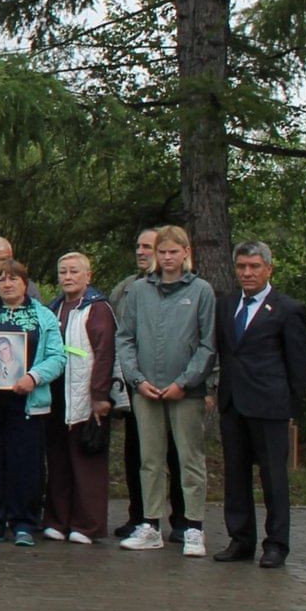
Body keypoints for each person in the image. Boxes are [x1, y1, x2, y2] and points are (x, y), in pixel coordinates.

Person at [114, 225, 217, 556]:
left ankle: (194, 527)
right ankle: (151, 525)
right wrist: (136, 378)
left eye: (174, 251)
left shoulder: (201, 291)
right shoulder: (139, 291)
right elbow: (125, 338)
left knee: (190, 459)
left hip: (185, 391)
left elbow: (207, 343)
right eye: (162, 252)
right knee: (150, 459)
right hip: (146, 390)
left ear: (186, 253)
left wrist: (183, 382)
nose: (168, 257)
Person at [213, 240, 306, 568]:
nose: (247, 273)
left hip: (270, 405)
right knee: (235, 476)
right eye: (241, 266)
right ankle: (241, 540)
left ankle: (276, 544)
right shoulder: (225, 306)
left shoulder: (287, 309)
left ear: (269, 268)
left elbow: (297, 363)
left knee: (273, 477)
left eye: (254, 267)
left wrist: (292, 407)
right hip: (233, 404)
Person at [0, 259, 66, 546]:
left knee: (26, 463)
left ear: (25, 282)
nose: (7, 284)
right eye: (1, 279)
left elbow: (58, 356)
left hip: (27, 400)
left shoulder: (43, 315)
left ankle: (23, 523)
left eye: (13, 279)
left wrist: (34, 377)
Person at [109, 229, 182, 539]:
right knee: (137, 452)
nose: (141, 252)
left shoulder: (188, 287)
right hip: (136, 384)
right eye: (138, 246)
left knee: (177, 455)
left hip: (177, 384)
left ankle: (181, 520)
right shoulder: (125, 289)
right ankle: (139, 516)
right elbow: (116, 335)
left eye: (148, 247)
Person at [44, 252, 115, 544]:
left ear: (89, 275)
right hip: (56, 393)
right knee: (58, 459)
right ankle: (58, 520)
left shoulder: (97, 308)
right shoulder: (54, 308)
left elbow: (105, 352)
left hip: (86, 393)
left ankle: (88, 525)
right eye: (63, 272)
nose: (68, 277)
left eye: (74, 271)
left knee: (86, 459)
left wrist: (99, 395)